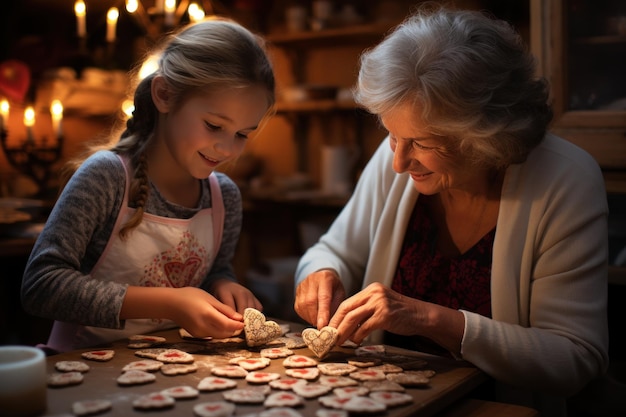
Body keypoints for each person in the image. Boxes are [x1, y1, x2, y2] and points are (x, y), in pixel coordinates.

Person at [294, 5, 609, 416]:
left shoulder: (564, 181)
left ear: (486, 136)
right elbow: (331, 250)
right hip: (381, 402)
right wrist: (321, 273)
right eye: (392, 135)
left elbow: (574, 359)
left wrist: (431, 320)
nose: (398, 163)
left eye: (424, 143)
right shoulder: (401, 152)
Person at [21, 17, 275, 353]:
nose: (228, 149)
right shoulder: (107, 178)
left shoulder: (223, 196)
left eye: (243, 134)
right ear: (165, 95)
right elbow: (41, 286)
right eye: (214, 125)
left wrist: (224, 284)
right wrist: (169, 303)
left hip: (172, 372)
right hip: (82, 369)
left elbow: (214, 270)